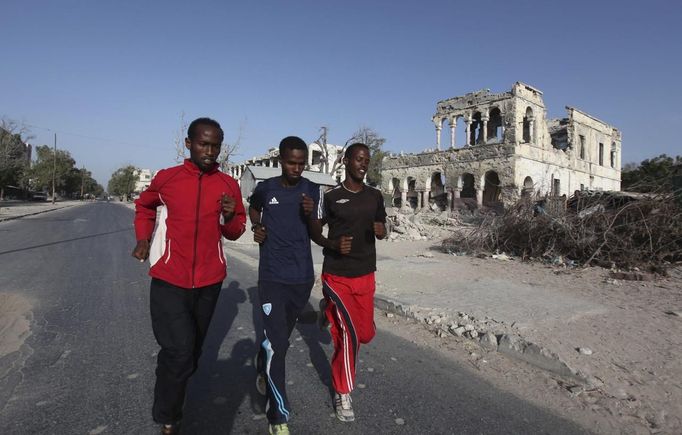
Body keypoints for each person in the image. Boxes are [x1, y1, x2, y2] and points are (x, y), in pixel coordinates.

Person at [132, 117, 246, 434]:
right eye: (203, 144)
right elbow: (144, 206)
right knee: (179, 351)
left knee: (191, 355)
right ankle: (168, 418)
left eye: (215, 146)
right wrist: (143, 238)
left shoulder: (228, 185)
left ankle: (172, 375)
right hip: (169, 277)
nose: (209, 151)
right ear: (189, 143)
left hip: (209, 282)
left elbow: (237, 230)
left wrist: (227, 215)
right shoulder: (168, 179)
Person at [309, 143, 386, 423]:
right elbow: (314, 230)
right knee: (349, 335)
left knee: (365, 334)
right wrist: (332, 243)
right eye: (358, 159)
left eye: (367, 160)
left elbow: (382, 227)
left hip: (365, 274)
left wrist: (382, 230)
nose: (363, 164)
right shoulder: (330, 197)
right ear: (346, 161)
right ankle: (343, 391)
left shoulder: (375, 196)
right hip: (337, 275)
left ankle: (326, 309)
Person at [249, 136, 321, 435]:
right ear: (281, 161)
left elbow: (317, 231)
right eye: (291, 162)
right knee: (279, 347)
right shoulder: (266, 188)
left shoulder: (311, 189)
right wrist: (257, 226)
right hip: (272, 276)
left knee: (276, 343)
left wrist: (310, 212)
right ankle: (278, 415)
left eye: (302, 163)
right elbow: (254, 209)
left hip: (302, 277)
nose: (297, 168)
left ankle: (261, 359)